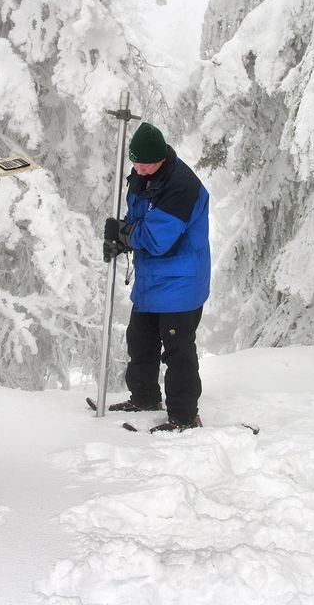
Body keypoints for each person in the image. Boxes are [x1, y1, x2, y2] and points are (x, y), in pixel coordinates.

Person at [103, 122, 211, 432]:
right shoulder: (141, 177)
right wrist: (120, 238)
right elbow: (139, 223)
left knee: (177, 350)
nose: (137, 168)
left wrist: (124, 235)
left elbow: (157, 238)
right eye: (134, 161)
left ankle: (184, 415)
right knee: (140, 339)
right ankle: (146, 397)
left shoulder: (183, 186)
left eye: (144, 162)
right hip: (153, 280)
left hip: (181, 282)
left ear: (161, 158)